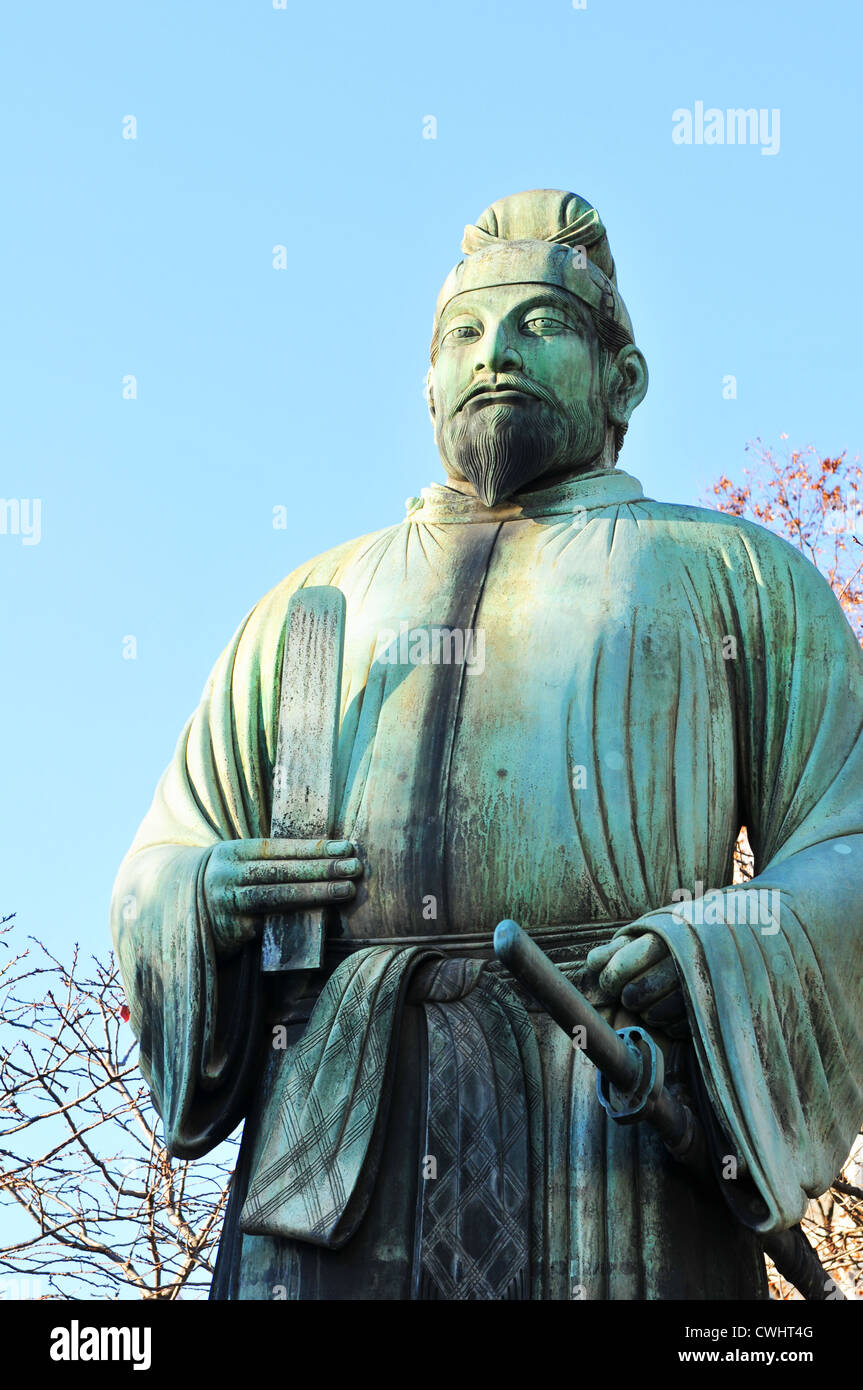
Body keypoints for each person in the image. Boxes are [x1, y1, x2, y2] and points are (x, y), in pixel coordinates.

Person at [111, 189, 863, 1299]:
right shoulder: (311, 604)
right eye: (461, 334)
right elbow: (160, 859)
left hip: (605, 1094)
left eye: (537, 324)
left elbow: (843, 842)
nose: (493, 353)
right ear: (424, 383)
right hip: (340, 1110)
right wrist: (209, 894)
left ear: (623, 379)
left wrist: (707, 955)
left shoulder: (738, 579)